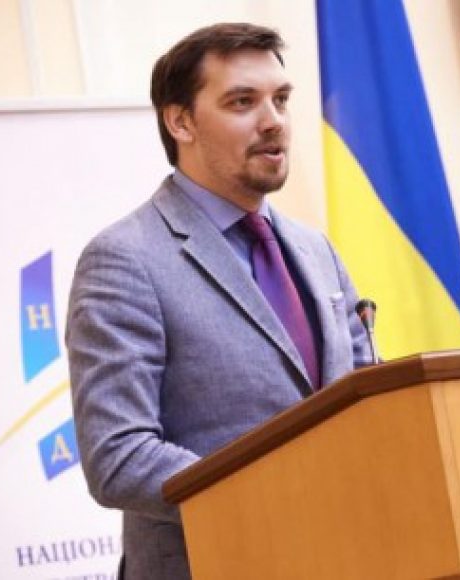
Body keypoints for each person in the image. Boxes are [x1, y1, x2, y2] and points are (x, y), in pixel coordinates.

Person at [66, 23, 372, 580]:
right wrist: (285, 493)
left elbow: (371, 407)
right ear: (180, 122)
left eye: (281, 99)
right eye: (242, 102)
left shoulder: (316, 250)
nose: (273, 121)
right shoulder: (125, 260)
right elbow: (118, 456)